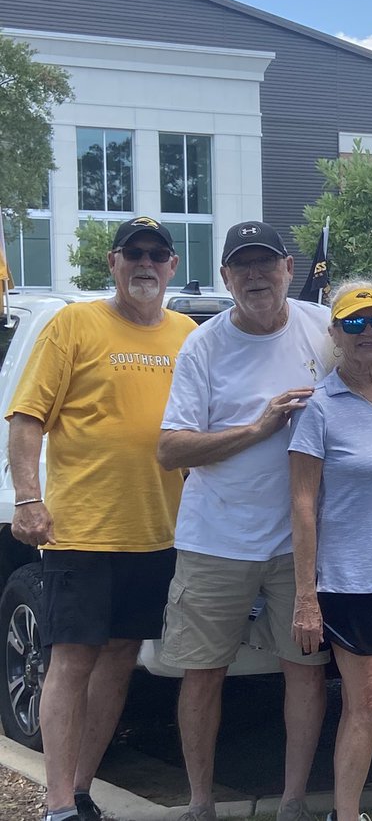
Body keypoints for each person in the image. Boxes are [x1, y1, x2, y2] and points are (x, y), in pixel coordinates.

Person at [6, 217, 195, 821]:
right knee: (72, 659)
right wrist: (29, 499)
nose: (145, 263)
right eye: (133, 253)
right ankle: (58, 804)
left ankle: (83, 789)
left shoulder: (190, 333)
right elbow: (28, 416)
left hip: (159, 532)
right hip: (82, 531)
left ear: (171, 266)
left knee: (120, 657)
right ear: (113, 263)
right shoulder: (73, 324)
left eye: (157, 254)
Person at [157, 222, 332, 821]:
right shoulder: (203, 345)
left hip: (298, 541)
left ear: (288, 266)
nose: (256, 276)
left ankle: (292, 802)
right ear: (227, 276)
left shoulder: (320, 326)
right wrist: (257, 429)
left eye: (267, 264)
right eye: (242, 267)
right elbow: (170, 449)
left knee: (304, 673)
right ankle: (200, 803)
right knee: (202, 675)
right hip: (216, 540)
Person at [289, 282, 372, 821]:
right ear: (335, 334)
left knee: (360, 705)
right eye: (354, 323)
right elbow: (302, 503)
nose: (368, 333)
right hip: (344, 582)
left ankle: (345, 810)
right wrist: (306, 597)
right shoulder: (318, 407)